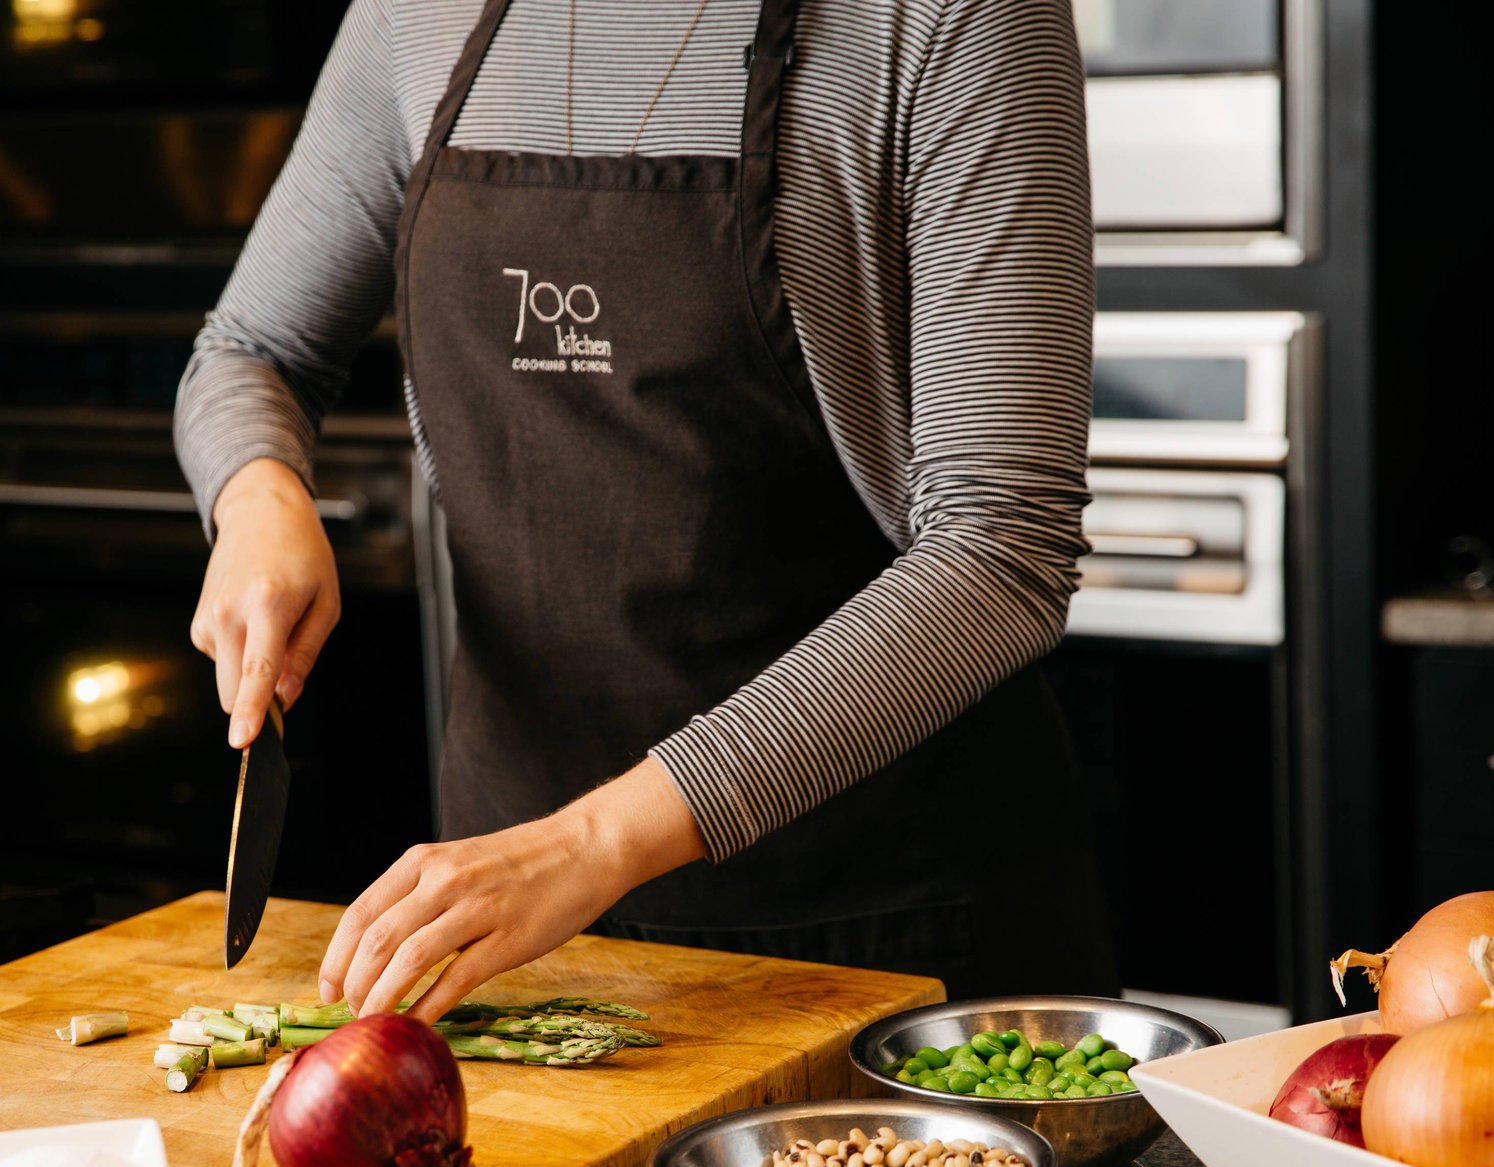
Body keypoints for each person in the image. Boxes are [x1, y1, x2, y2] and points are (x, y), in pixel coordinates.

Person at [177, 0, 1117, 1022]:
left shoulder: (949, 18)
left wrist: (590, 844)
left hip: (878, 932)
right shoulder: (416, 12)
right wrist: (259, 493)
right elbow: (253, 348)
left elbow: (999, 545)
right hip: (510, 938)